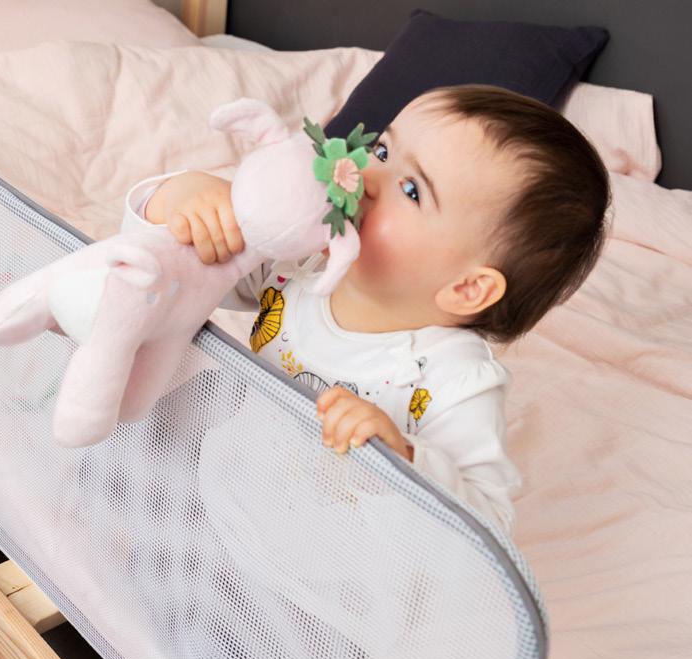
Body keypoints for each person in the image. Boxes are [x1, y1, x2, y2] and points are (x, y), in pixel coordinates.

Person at [122, 84, 611, 534]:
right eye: (381, 150)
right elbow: (169, 275)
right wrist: (181, 199)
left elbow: (489, 524)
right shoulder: (302, 263)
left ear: (467, 288)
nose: (368, 178)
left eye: (412, 190)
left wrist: (403, 457)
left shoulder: (455, 380)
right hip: (220, 497)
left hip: (324, 576)